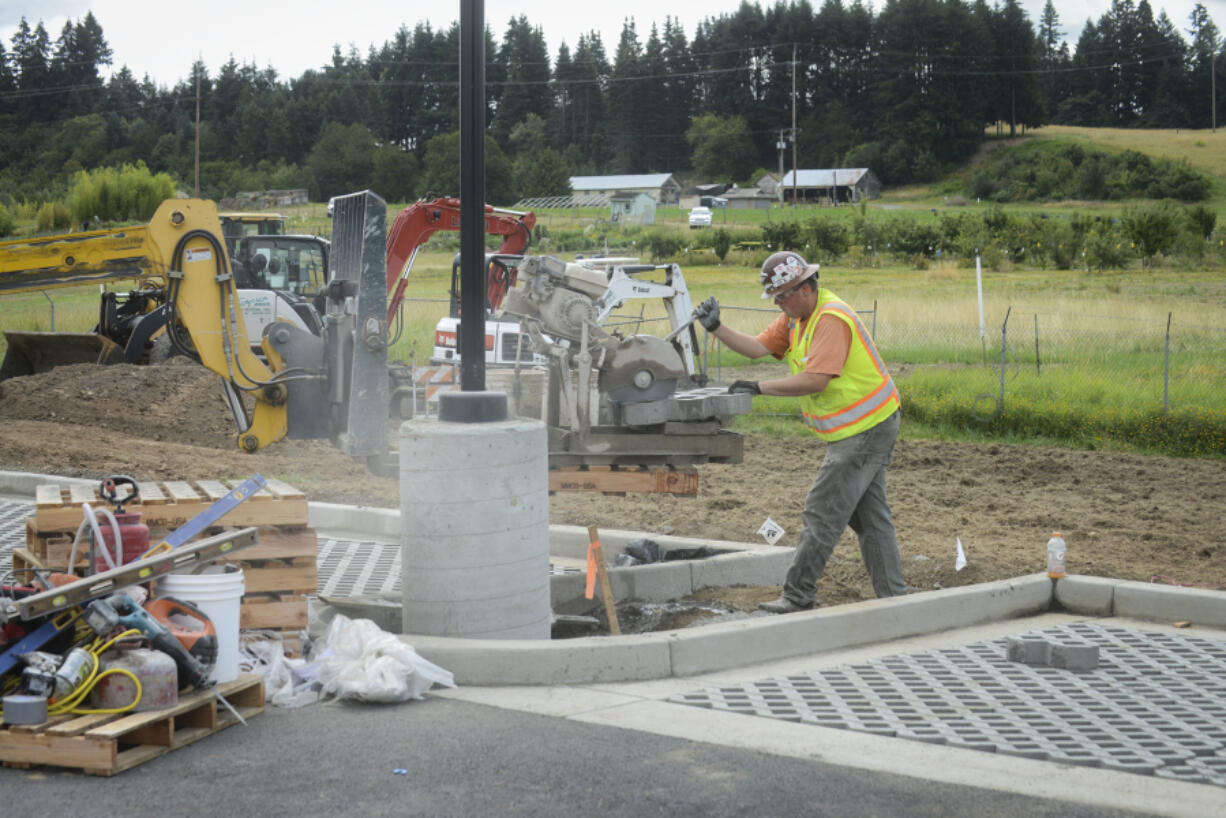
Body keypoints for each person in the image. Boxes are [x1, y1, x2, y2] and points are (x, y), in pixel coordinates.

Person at [694, 251, 905, 613]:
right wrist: (717, 328)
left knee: (822, 513)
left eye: (781, 295)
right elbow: (759, 347)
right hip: (866, 426)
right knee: (870, 517)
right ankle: (894, 599)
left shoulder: (830, 319)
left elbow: (816, 380)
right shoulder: (796, 317)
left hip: (865, 429)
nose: (777, 303)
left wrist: (758, 388)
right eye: (774, 296)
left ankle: (797, 595)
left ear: (804, 288)